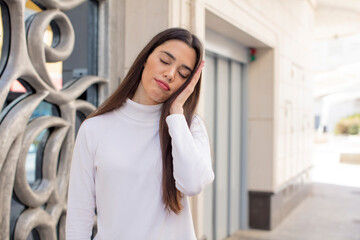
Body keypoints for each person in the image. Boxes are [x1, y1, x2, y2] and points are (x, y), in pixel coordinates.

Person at [66, 27, 215, 240]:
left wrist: (175, 114)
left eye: (183, 74)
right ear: (145, 58)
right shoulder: (94, 129)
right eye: (165, 60)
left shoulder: (188, 127)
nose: (170, 74)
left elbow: (193, 183)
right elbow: (79, 215)